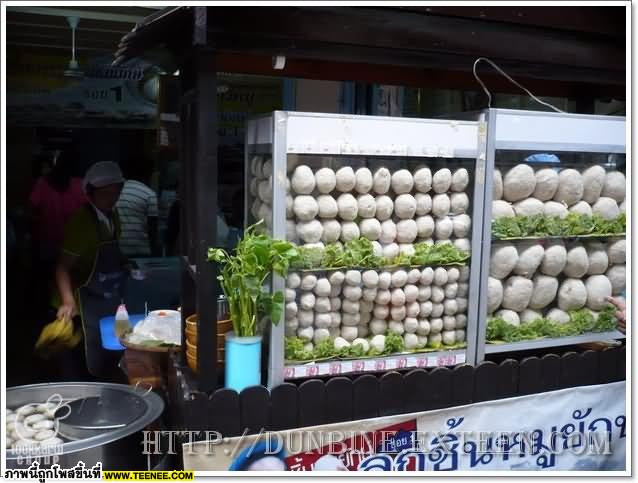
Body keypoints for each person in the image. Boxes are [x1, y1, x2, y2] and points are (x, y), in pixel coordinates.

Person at [54, 161, 128, 379]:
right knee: (78, 362)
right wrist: (68, 302)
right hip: (76, 302)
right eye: (106, 194)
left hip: (101, 298)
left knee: (104, 353)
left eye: (116, 193)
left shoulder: (113, 216)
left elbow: (112, 251)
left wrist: (125, 263)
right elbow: (62, 268)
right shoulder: (81, 222)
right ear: (90, 194)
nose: (111, 199)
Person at [29, 150, 87, 319]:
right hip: (73, 244)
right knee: (71, 279)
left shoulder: (43, 183)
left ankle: (50, 312)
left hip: (48, 241)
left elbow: (32, 209)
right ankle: (71, 312)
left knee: (47, 280)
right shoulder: (80, 185)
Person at [116, 157, 160, 258]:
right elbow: (153, 230)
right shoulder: (149, 194)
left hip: (119, 251)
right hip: (142, 251)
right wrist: (156, 255)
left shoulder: (116, 192)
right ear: (147, 174)